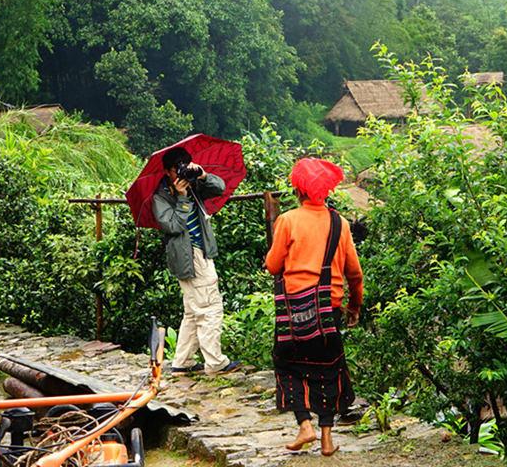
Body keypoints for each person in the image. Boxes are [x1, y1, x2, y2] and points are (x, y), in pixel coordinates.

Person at [265, 158, 363, 457]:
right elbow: (355, 274)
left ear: (298, 191)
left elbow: (272, 266)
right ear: (326, 192)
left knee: (287, 364)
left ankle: (304, 424)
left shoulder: (288, 221)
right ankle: (326, 438)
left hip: (293, 311)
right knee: (328, 369)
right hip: (329, 310)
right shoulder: (339, 223)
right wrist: (354, 307)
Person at [152, 146, 241, 376]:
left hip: (201, 252)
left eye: (183, 168)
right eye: (176, 170)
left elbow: (220, 188)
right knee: (209, 307)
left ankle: (182, 362)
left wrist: (202, 175)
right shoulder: (160, 195)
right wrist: (182, 199)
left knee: (193, 311)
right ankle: (216, 363)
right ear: (167, 171)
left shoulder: (193, 183)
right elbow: (171, 225)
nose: (179, 175)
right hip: (190, 256)